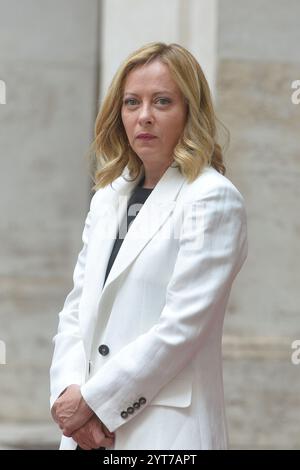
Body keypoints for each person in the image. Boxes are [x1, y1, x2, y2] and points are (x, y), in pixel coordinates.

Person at [50, 41, 248, 450]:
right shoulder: (109, 196)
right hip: (86, 433)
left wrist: (95, 404)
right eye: (131, 102)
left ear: (190, 111)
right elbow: (76, 308)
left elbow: (180, 329)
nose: (144, 116)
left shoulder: (212, 198)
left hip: (164, 432)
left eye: (162, 102)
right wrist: (67, 399)